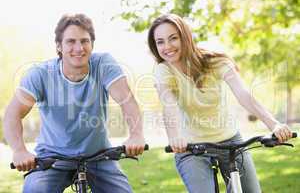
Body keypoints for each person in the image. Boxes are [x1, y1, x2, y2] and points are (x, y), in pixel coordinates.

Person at [148, 14, 293, 193]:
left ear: (185, 37)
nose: (167, 47)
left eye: (173, 38)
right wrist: (174, 136)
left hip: (230, 140)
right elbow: (168, 103)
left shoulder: (214, 61)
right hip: (191, 147)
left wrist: (274, 124)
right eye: (160, 42)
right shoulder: (163, 70)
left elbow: (243, 95)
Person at [3, 13, 145, 193]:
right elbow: (12, 114)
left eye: (84, 41)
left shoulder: (103, 64)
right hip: (52, 158)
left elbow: (127, 101)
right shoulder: (40, 74)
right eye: (71, 41)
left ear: (92, 44)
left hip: (99, 155)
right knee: (35, 190)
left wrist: (136, 134)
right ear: (59, 46)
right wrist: (19, 150)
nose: (79, 48)